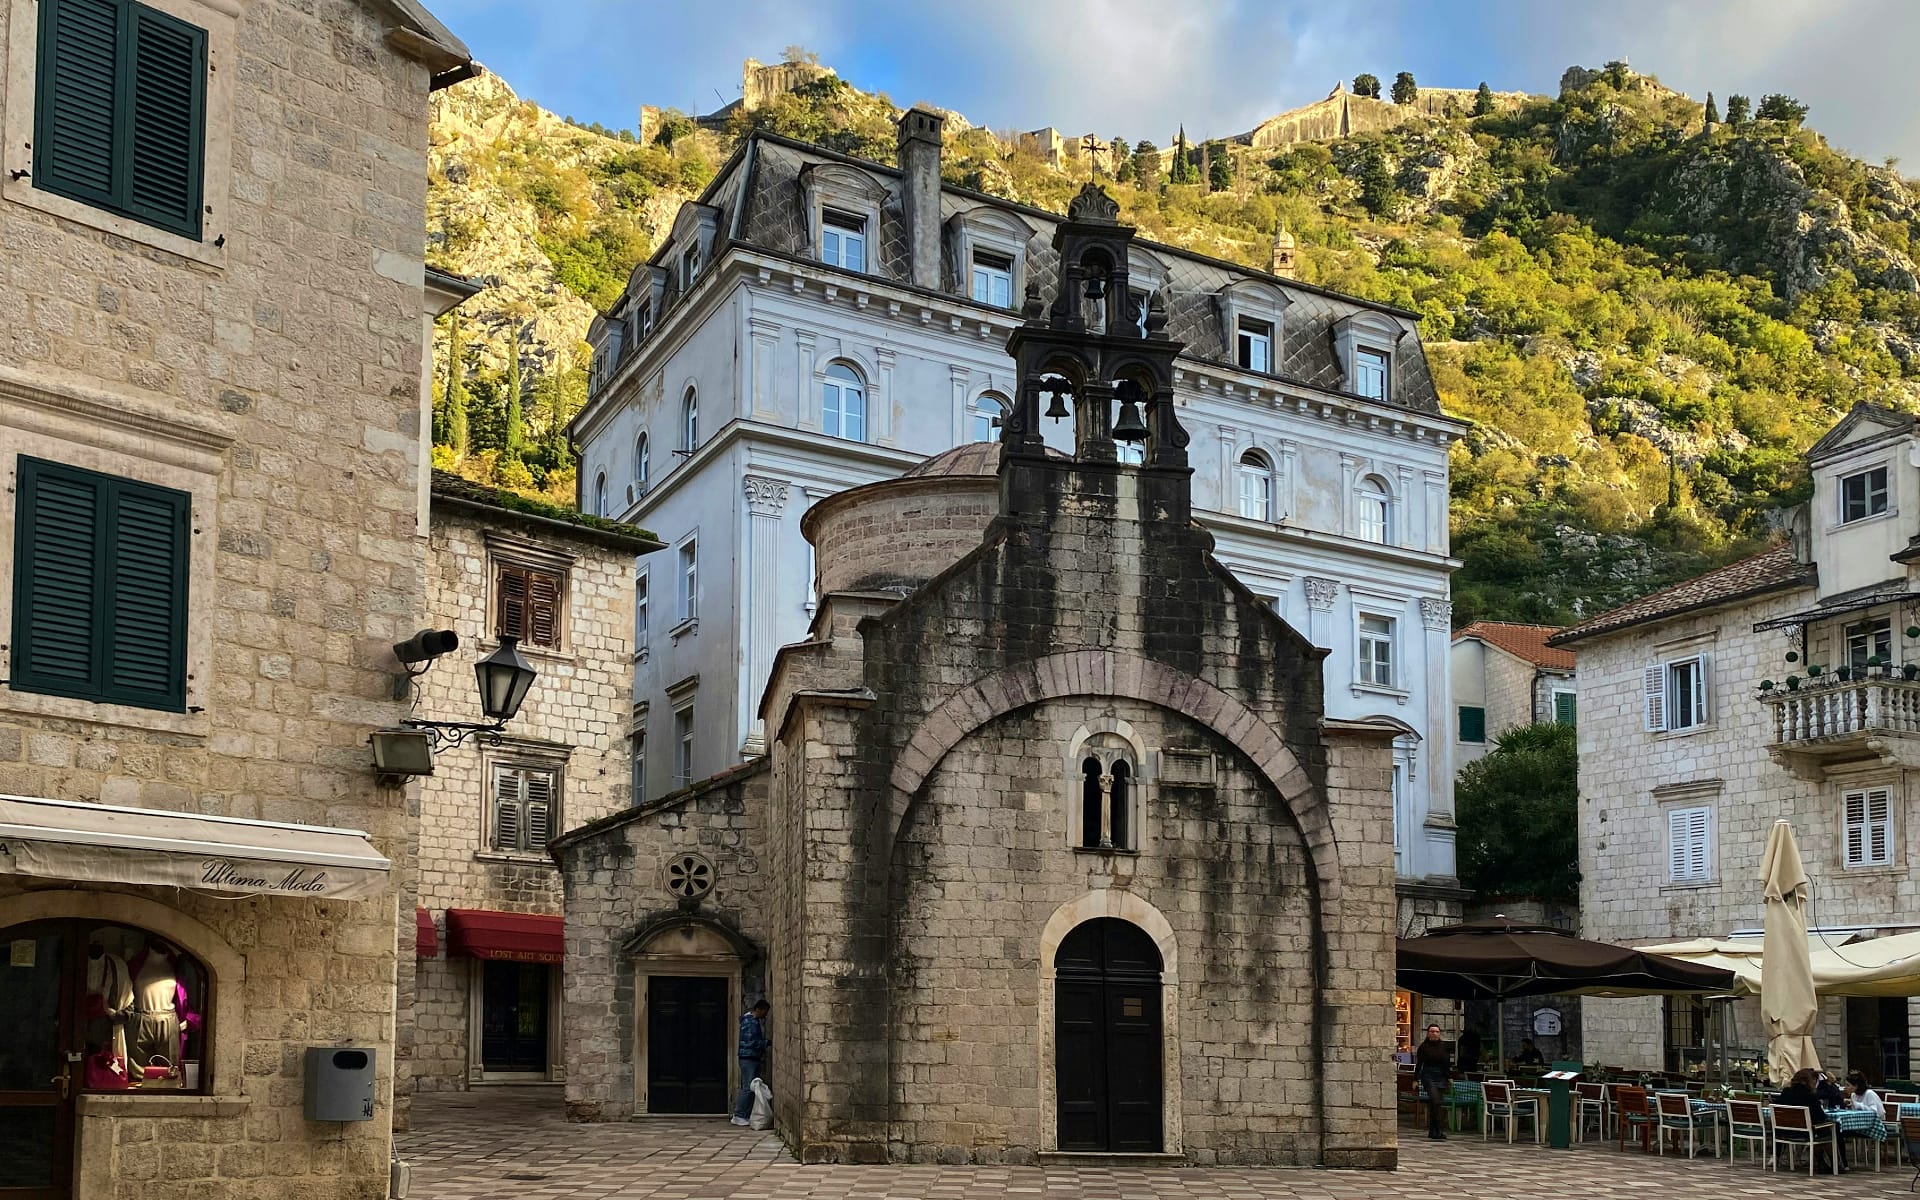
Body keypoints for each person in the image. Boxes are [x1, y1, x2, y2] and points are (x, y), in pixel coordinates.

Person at [1778, 1067, 1844, 1174]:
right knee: (1829, 1127)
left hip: (1784, 1132)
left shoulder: (1785, 1093)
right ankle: (1834, 1162)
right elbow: (1821, 1117)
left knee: (1819, 1129)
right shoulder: (1810, 1097)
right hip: (1805, 1133)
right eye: (1814, 1080)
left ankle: (1822, 1162)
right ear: (1807, 1081)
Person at [731, 998, 772, 1127]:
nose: (765, 1015)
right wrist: (766, 1043)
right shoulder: (751, 1023)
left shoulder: (750, 1021)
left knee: (749, 1087)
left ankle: (744, 1114)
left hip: (749, 1058)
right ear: (759, 1009)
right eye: (765, 1012)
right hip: (748, 1058)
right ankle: (739, 1115)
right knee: (748, 1088)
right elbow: (752, 1042)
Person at [1414, 1023, 1452, 1140]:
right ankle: (1436, 1130)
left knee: (1437, 1104)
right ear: (1428, 1033)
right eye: (1432, 1031)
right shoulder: (1423, 1047)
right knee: (1435, 1100)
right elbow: (1419, 1064)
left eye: (1436, 1031)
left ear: (1439, 1033)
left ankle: (1435, 1130)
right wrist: (1415, 1079)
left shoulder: (1444, 1046)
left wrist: (1449, 1077)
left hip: (1441, 1076)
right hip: (1428, 1075)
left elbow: (1447, 1063)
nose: (1434, 1033)